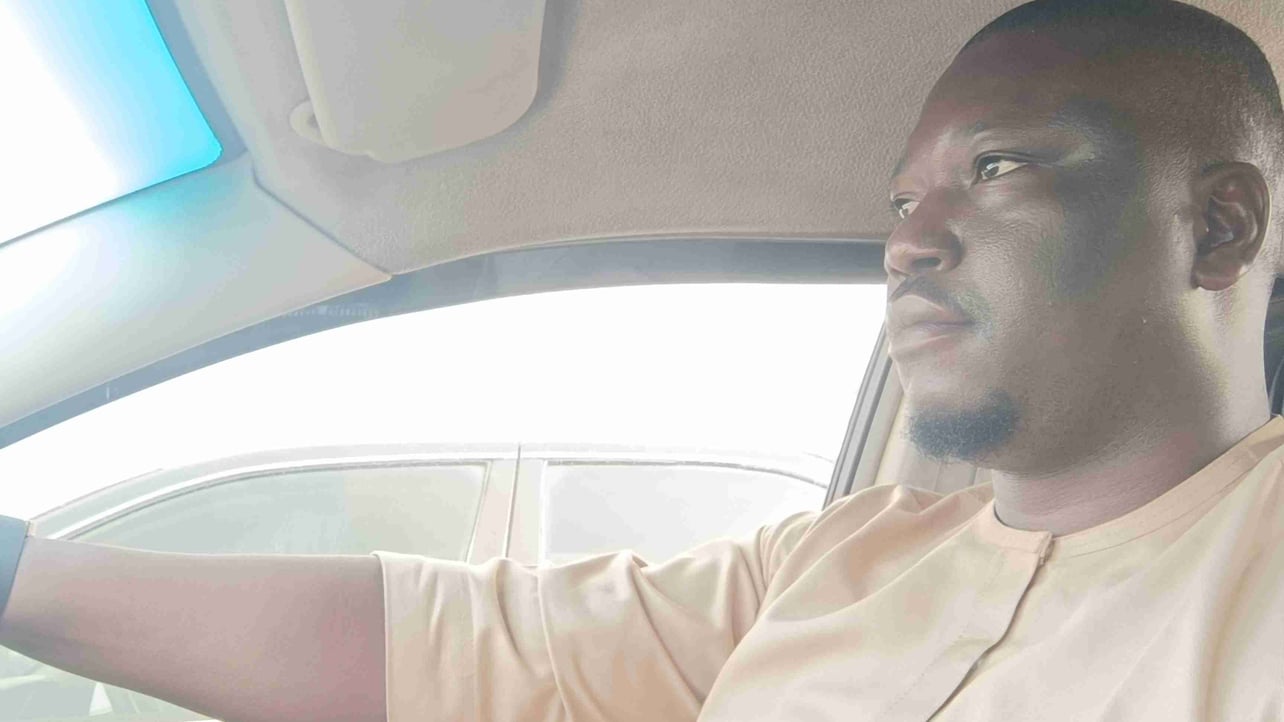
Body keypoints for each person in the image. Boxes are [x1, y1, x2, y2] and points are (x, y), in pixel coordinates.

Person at [2, 0, 1282, 719]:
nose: (907, 244)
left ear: (1219, 225)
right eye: (902, 202)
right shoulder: (843, 557)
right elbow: (468, 645)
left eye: (995, 168)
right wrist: (20, 571)